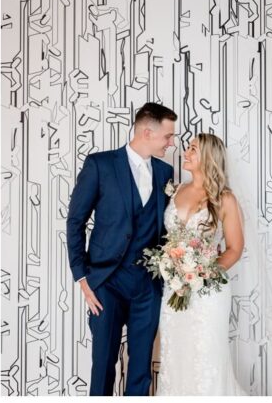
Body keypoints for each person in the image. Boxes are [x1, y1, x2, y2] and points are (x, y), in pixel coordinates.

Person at [66, 103, 177, 395]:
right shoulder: (100, 164)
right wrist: (82, 278)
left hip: (147, 286)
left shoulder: (166, 173)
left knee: (141, 371)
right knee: (103, 365)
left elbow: (166, 230)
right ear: (147, 131)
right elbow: (75, 221)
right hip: (106, 284)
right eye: (168, 136)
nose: (172, 142)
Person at [155, 133, 246, 395]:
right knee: (176, 354)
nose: (186, 151)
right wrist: (177, 269)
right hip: (174, 289)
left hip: (208, 293)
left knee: (207, 356)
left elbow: (235, 248)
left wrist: (202, 271)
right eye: (187, 147)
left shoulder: (224, 197)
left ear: (207, 156)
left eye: (192, 148)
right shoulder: (176, 190)